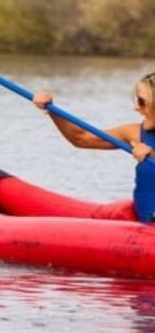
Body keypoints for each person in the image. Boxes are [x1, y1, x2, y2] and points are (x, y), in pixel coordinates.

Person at [33, 71, 155, 222]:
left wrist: (153, 156)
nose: (136, 108)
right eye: (137, 100)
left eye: (142, 102)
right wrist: (51, 109)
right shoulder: (135, 133)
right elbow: (82, 138)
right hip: (144, 225)